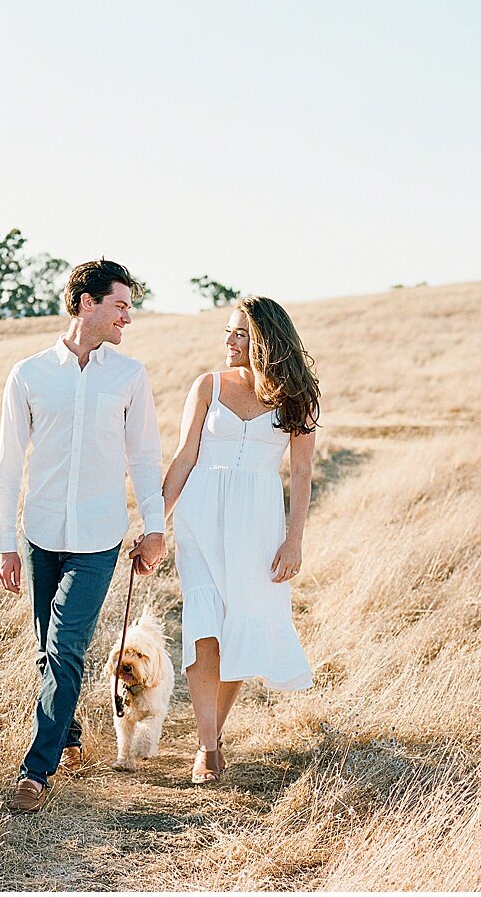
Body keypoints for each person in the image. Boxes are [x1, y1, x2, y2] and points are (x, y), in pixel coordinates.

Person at [0, 259, 166, 813]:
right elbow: (6, 465)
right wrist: (5, 543)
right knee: (49, 653)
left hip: (98, 537)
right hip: (41, 532)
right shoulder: (29, 374)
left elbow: (144, 456)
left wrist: (156, 528)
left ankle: (36, 773)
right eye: (120, 306)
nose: (128, 318)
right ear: (86, 304)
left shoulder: (129, 376)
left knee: (65, 647)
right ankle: (66, 734)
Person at [161, 295, 318, 783]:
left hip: (258, 522)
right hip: (201, 516)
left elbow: (303, 472)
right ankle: (206, 748)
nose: (228, 341)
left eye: (240, 333)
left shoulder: (297, 398)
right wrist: (152, 525)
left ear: (266, 340)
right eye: (228, 332)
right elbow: (185, 456)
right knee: (205, 623)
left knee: (239, 628)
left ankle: (215, 732)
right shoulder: (207, 386)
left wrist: (293, 541)